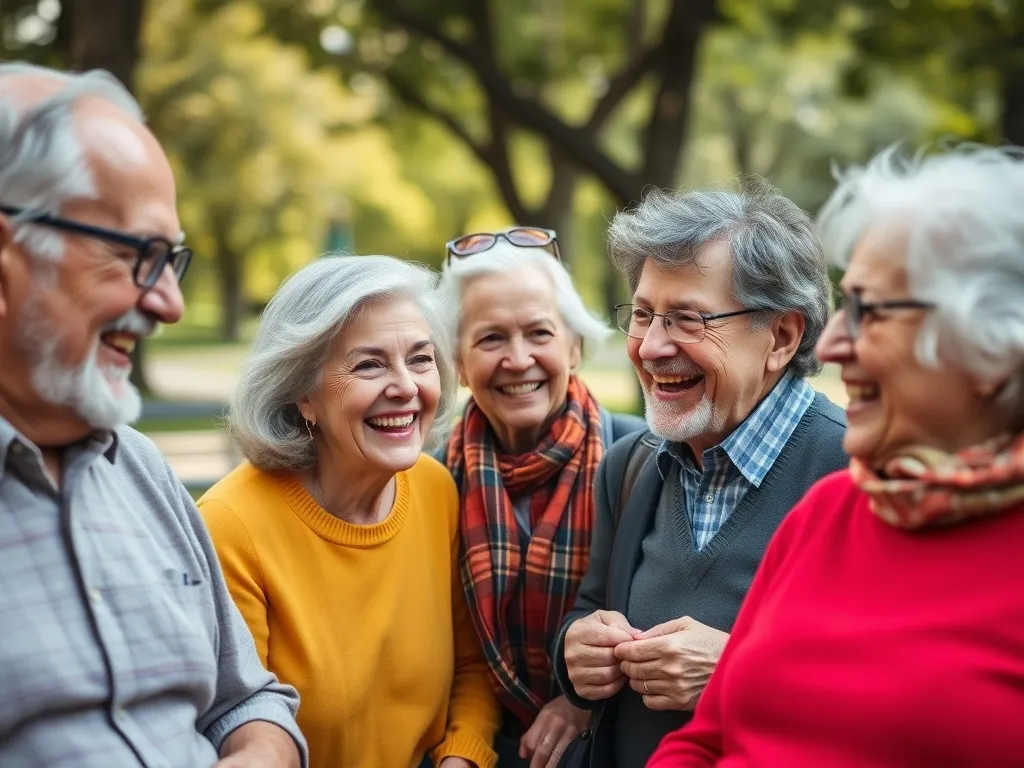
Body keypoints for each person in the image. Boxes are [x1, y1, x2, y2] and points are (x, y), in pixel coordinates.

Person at [648, 146, 1024, 767]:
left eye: (870, 311)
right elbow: (706, 738)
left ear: (992, 345)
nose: (837, 342)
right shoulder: (834, 509)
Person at [0, 63, 306, 766]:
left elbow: (248, 702)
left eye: (172, 259)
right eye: (137, 254)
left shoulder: (139, 468)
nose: (168, 302)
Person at [552, 179, 849, 768]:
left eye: (687, 319)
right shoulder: (630, 465)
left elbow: (896, 687)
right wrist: (573, 650)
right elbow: (589, 608)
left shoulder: (854, 476)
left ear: (781, 337)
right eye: (642, 314)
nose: (652, 346)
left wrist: (736, 667)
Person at [198, 255, 500, 768]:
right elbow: (234, 722)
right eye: (369, 364)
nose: (406, 386)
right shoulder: (231, 526)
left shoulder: (435, 489)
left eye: (421, 359)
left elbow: (472, 669)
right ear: (302, 395)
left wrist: (461, 758)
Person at [437, 228, 644, 768]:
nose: (518, 358)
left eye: (539, 333)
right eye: (490, 339)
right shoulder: (433, 477)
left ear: (574, 347)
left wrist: (580, 698)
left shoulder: (642, 458)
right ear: (458, 361)